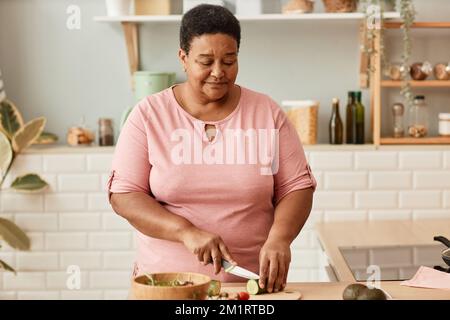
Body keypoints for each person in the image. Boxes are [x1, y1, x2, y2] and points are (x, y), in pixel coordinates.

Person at [108, 4, 316, 294]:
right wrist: (186, 232)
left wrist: (280, 237)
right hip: (168, 286)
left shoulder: (266, 113)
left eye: (229, 61)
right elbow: (124, 196)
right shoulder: (148, 115)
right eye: (205, 61)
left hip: (248, 288)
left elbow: (297, 187)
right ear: (183, 57)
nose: (218, 72)